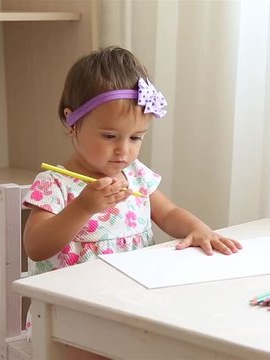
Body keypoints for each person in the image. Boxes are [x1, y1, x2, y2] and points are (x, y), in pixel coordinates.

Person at [21, 46, 242, 359]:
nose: (123, 151)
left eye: (136, 137)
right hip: (68, 318)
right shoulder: (55, 184)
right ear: (72, 123)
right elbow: (36, 246)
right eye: (110, 136)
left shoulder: (136, 176)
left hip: (131, 307)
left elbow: (170, 214)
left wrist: (197, 228)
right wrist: (83, 208)